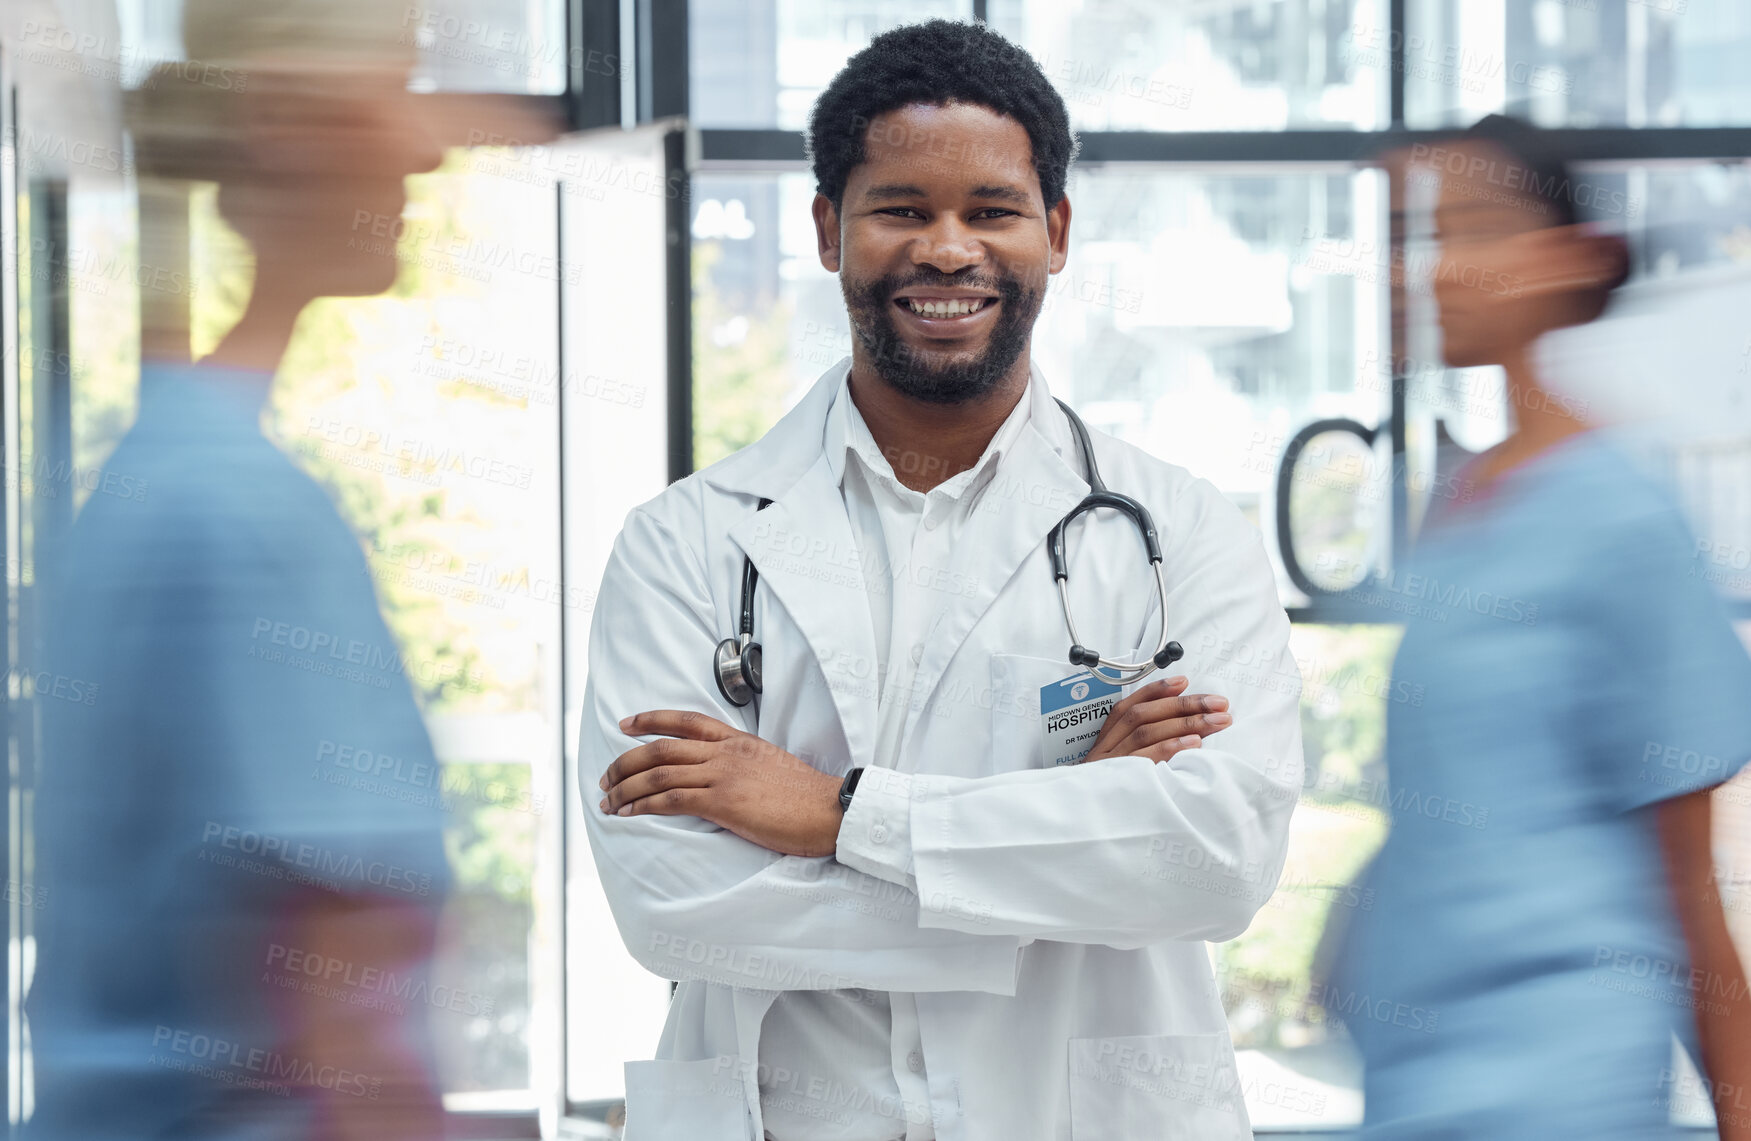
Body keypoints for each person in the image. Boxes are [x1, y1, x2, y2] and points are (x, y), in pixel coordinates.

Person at [582, 19, 1303, 1141]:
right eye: (901, 210)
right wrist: (1068, 852)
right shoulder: (683, 544)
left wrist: (832, 814)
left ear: (1054, 232)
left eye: (991, 210)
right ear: (828, 229)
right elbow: (673, 907)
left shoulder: (1181, 532)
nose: (948, 250)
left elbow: (1213, 862)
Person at [28, 2, 551, 1137]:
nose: (427, 146)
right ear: (278, 117)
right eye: (394, 91)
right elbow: (343, 1034)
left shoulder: (149, 475)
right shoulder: (236, 512)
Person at [1336, 114, 1751, 1140]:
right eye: (1400, 233)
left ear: (1562, 259)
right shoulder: (1464, 504)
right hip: (1416, 1081)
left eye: (1457, 230)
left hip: (1557, 1089)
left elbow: (1687, 885)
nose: (1412, 269)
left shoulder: (1620, 511)